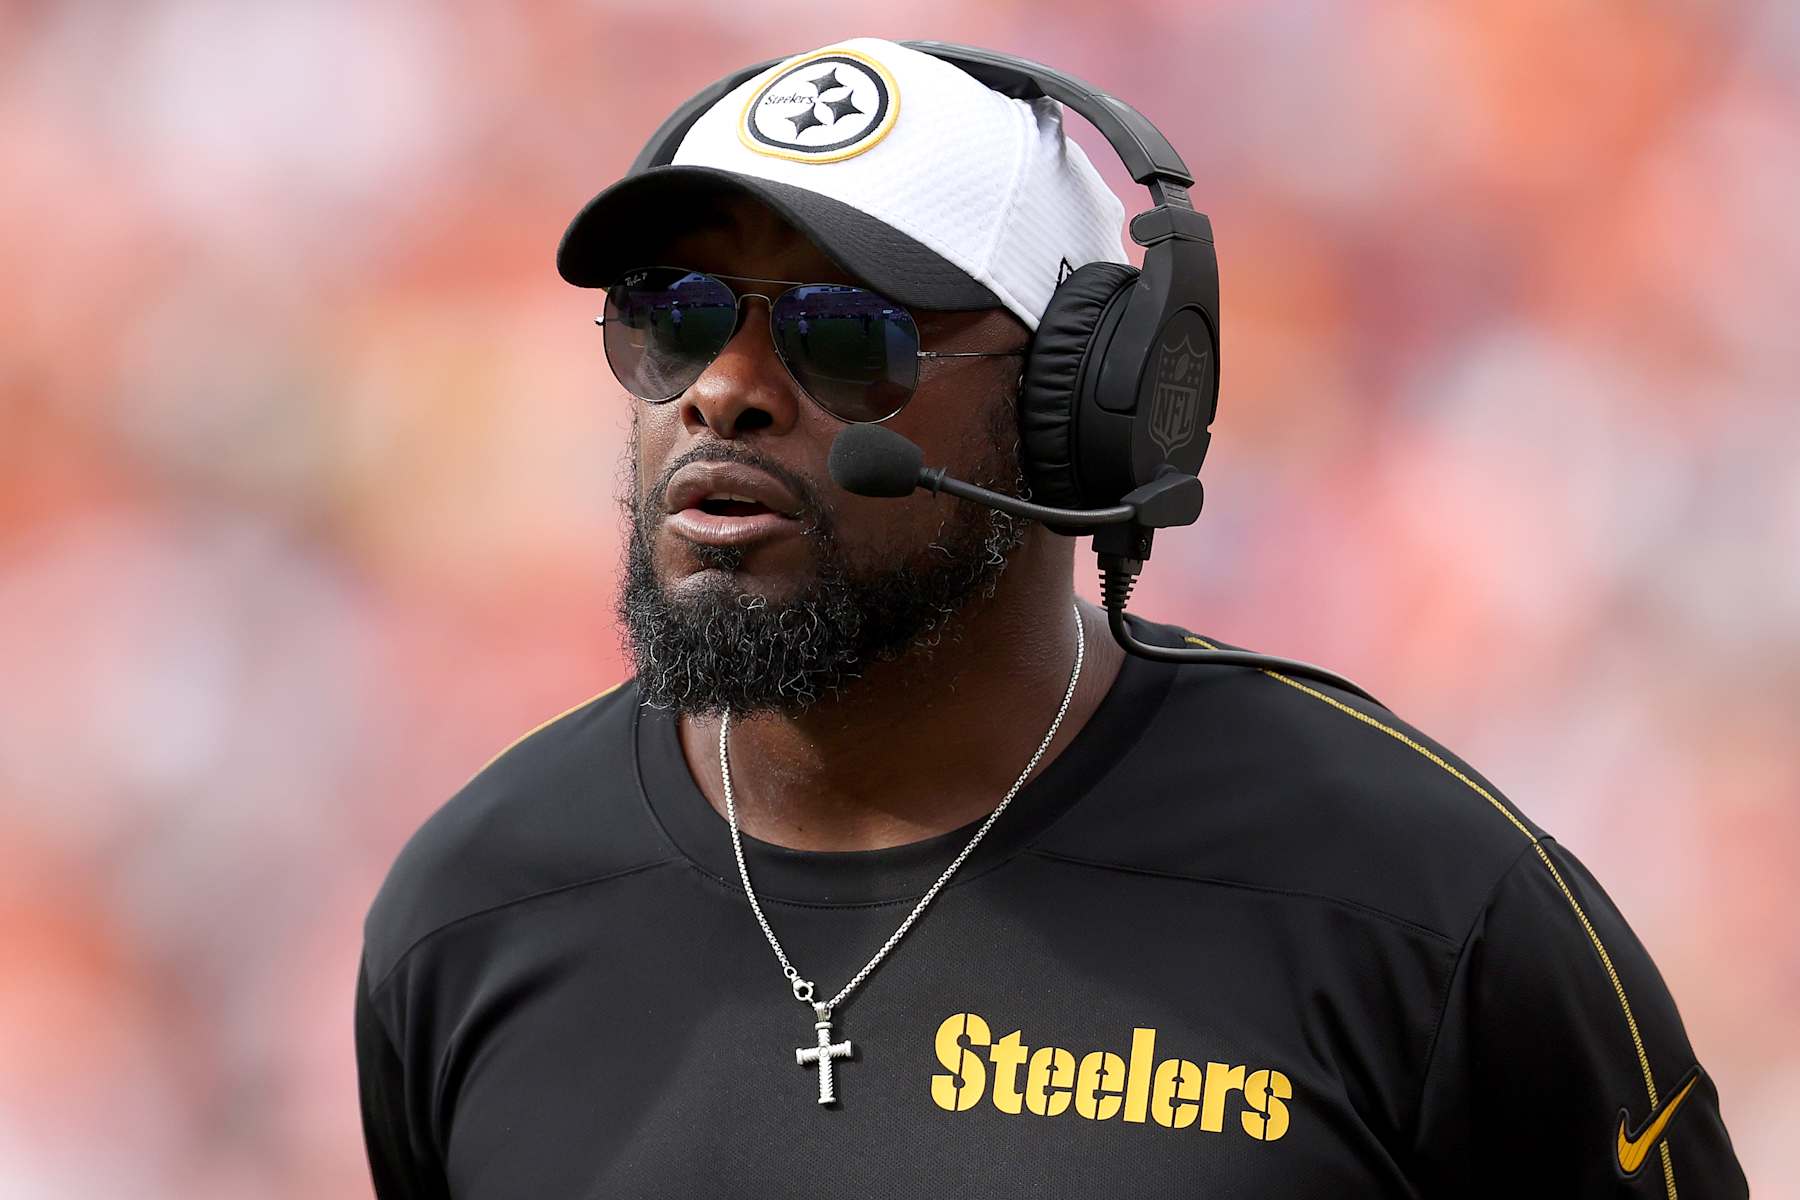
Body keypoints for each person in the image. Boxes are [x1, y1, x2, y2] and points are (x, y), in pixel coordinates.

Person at [355, 38, 1748, 1198]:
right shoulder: (471, 912)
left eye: (844, 331)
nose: (722, 391)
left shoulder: (1420, 905)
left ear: (1080, 406)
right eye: (674, 314)